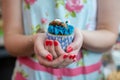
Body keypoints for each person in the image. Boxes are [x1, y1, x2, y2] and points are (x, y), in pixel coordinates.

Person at [2, 0, 120, 80]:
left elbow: (109, 33)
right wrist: (36, 40)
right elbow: (11, 39)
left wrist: (79, 37)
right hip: (32, 75)